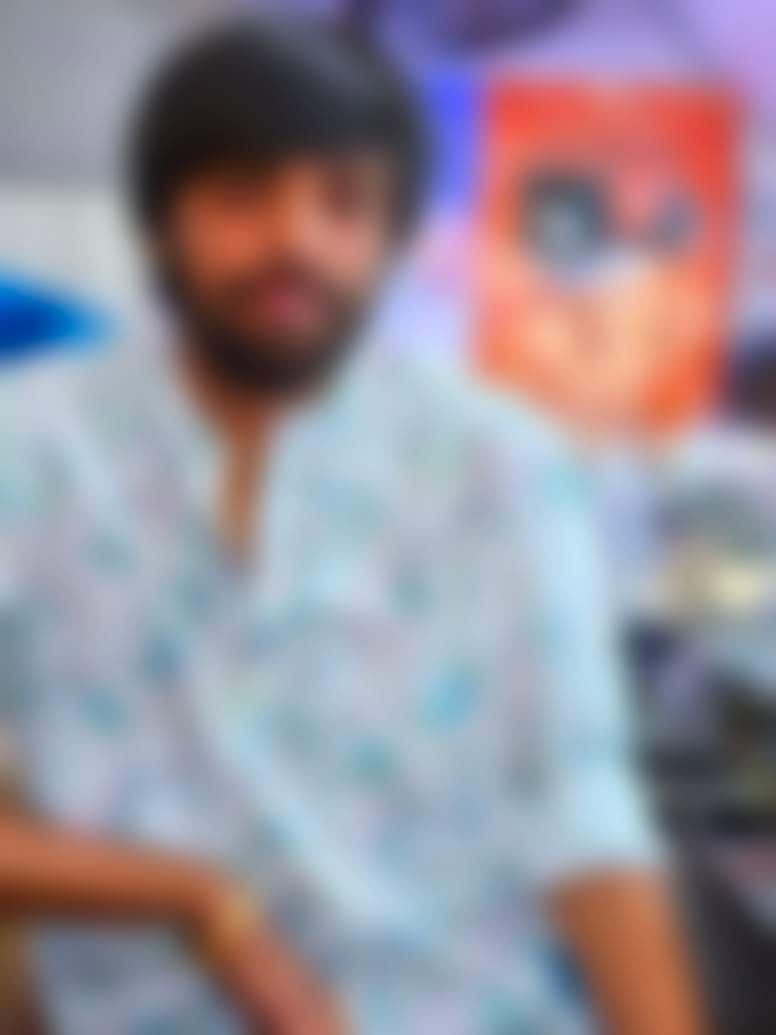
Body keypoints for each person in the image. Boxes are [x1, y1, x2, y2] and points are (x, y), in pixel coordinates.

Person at [0, 17, 704, 1035]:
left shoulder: (501, 466)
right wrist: (197, 900)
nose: (296, 240)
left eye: (343, 201)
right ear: (161, 220)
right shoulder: (31, 446)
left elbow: (582, 805)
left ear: (391, 238)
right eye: (242, 193)